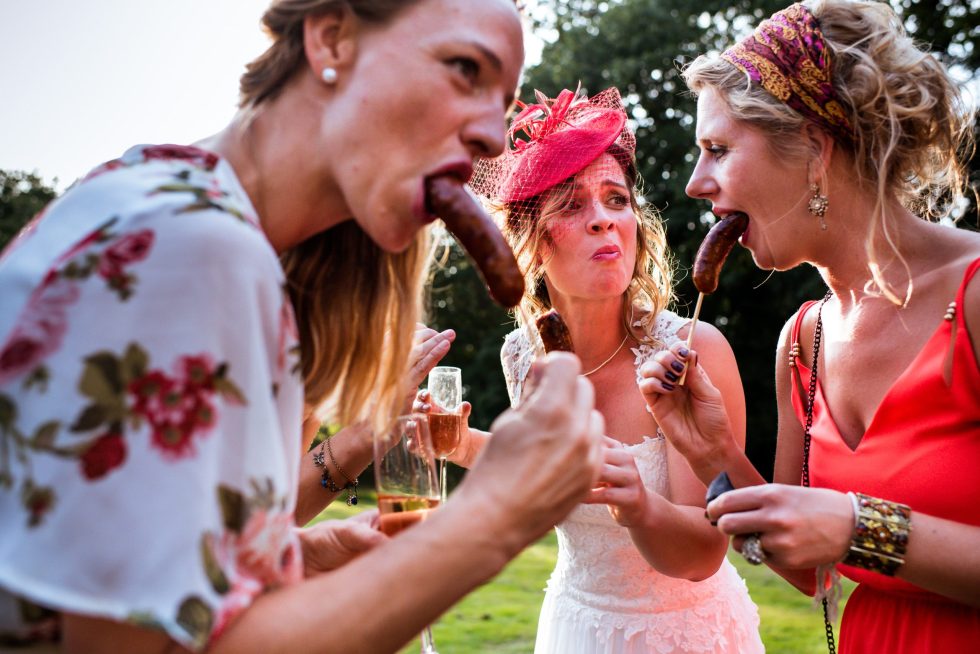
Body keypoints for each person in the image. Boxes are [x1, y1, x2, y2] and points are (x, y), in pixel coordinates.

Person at [0, 1, 607, 652]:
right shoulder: (198, 252)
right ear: (331, 38)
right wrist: (495, 515)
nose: (493, 135)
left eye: (505, 102)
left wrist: (300, 555)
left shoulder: (165, 193)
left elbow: (128, 566)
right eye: (465, 69)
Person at [638, 1, 980, 651]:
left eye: (717, 149)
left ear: (815, 151)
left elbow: (845, 535)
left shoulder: (974, 294)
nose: (693, 184)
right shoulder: (804, 339)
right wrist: (712, 453)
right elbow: (811, 572)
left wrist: (862, 527)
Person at [418, 86, 763, 653]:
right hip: (575, 625)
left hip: (686, 635)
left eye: (615, 199)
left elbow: (703, 556)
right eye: (572, 205)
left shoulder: (690, 351)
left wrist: (636, 503)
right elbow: (544, 473)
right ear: (531, 242)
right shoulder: (523, 355)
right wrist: (457, 442)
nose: (603, 220)